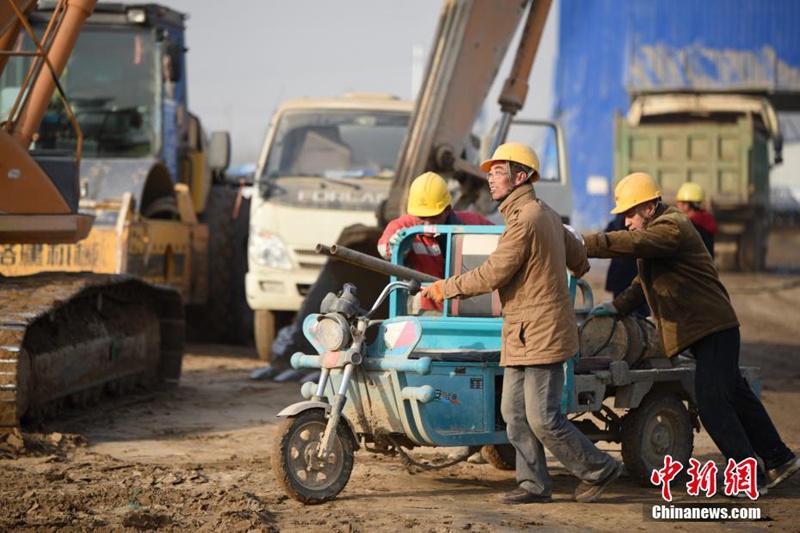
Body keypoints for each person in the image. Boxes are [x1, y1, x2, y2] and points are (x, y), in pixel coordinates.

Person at [422, 142, 622, 504]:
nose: (490, 179)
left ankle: (599, 469)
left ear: (521, 177)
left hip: (541, 333)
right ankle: (534, 484)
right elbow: (579, 257)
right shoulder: (542, 214)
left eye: (498, 172)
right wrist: (569, 266)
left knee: (543, 417)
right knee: (513, 412)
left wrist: (444, 289)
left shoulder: (526, 220)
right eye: (490, 173)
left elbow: (493, 273)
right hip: (522, 332)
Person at [582, 172, 799, 493]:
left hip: (712, 329)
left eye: (629, 214)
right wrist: (617, 306)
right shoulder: (660, 232)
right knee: (737, 396)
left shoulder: (673, 226)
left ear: (649, 207)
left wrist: (585, 244)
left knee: (712, 404)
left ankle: (749, 477)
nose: (626, 222)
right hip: (709, 330)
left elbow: (635, 243)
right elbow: (643, 284)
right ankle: (779, 459)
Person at [378, 171, 492, 312]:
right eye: (422, 217)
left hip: (471, 310)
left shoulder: (473, 223)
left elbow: (506, 242)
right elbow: (384, 249)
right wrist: (395, 246)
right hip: (425, 313)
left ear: (447, 210)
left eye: (433, 217)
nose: (427, 224)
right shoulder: (404, 226)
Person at [603, 213, 649, 316]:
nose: (627, 222)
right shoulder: (626, 220)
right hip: (627, 272)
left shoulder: (620, 221)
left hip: (625, 273)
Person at [675, 182, 717, 257]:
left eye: (679, 203)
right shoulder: (707, 222)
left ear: (686, 205)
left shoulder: (689, 227)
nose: (678, 206)